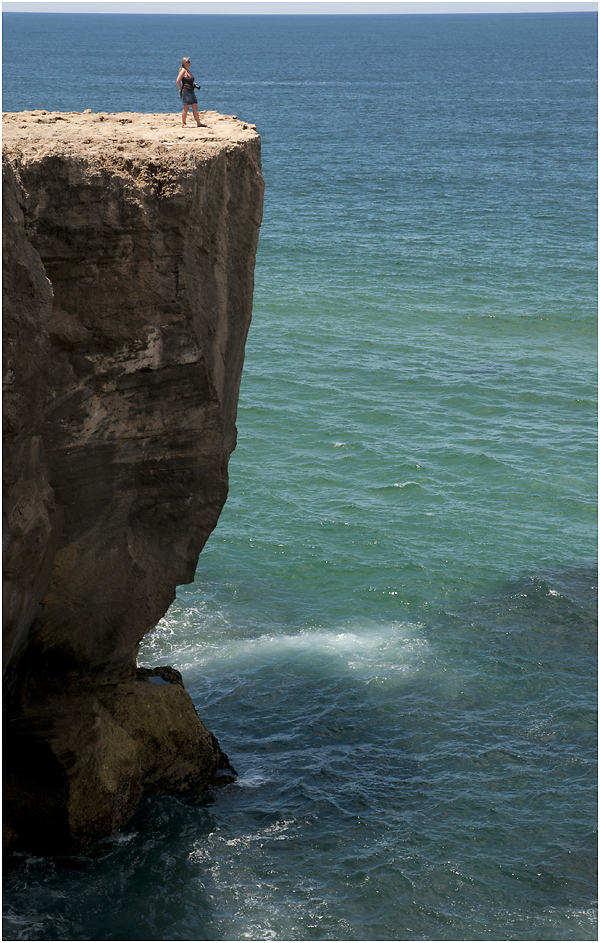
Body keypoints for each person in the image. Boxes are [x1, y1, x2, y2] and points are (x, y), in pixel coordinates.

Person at [176, 57, 206, 128]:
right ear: (185, 63)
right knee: (186, 108)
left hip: (191, 91)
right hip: (186, 91)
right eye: (188, 62)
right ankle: (183, 123)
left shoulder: (188, 70)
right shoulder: (183, 71)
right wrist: (180, 89)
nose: (190, 63)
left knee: (195, 106)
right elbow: (178, 80)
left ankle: (198, 123)